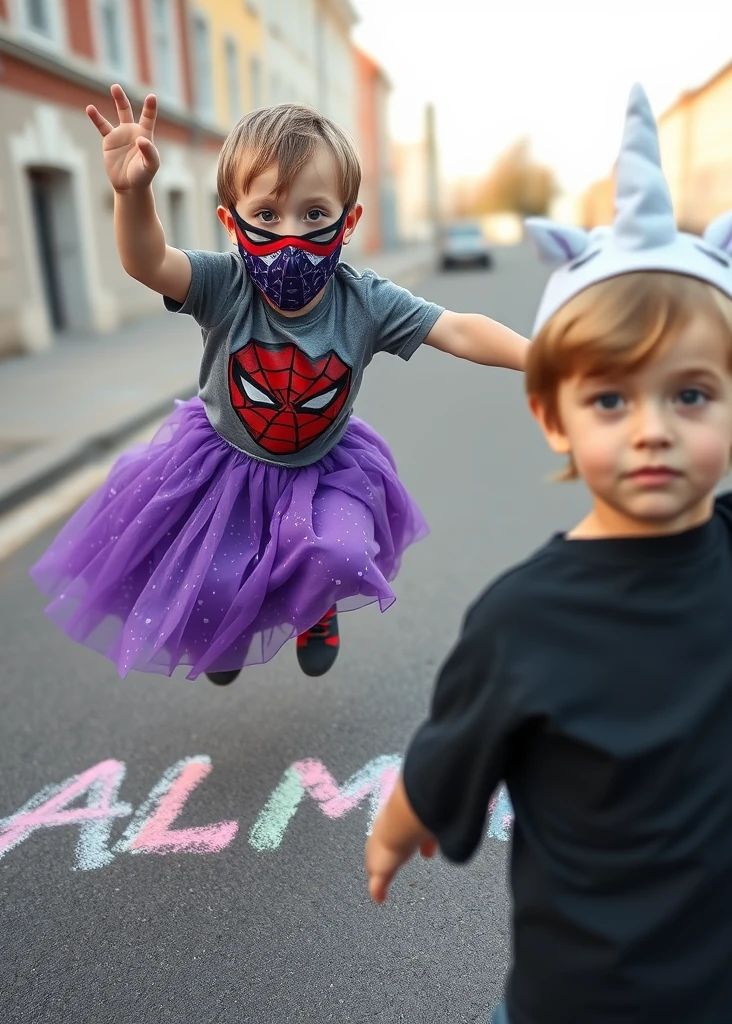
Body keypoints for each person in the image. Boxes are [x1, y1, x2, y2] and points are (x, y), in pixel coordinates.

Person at [365, 83, 732, 1024]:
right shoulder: (521, 619)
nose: (651, 429)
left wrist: (395, 836)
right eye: (612, 399)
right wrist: (399, 831)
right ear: (552, 414)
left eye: (689, 395)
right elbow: (443, 763)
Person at [30, 85, 527, 685]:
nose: (290, 236)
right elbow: (146, 260)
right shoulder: (225, 285)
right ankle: (221, 634)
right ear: (230, 220)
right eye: (267, 214)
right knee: (215, 581)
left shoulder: (364, 301)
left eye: (314, 214)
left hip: (324, 467)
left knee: (339, 554)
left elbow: (458, 329)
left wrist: (546, 357)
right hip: (224, 464)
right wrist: (132, 194)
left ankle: (316, 612)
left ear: (349, 221)